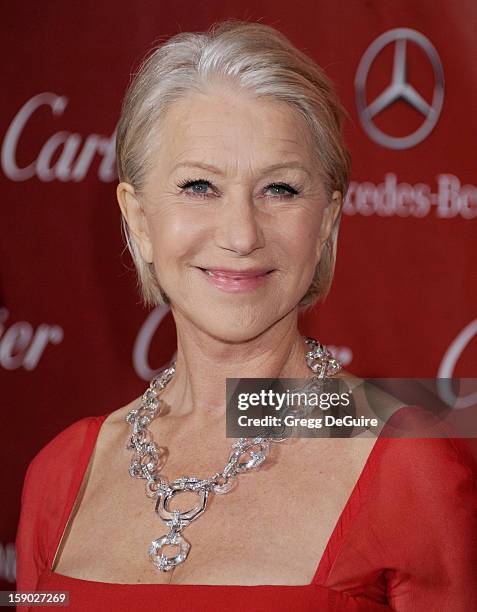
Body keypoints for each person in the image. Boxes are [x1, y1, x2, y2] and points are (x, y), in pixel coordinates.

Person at [15, 19, 477, 612]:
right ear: (138, 219)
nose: (240, 235)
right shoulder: (59, 475)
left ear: (327, 223)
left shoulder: (409, 464)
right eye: (199, 185)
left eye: (280, 189)